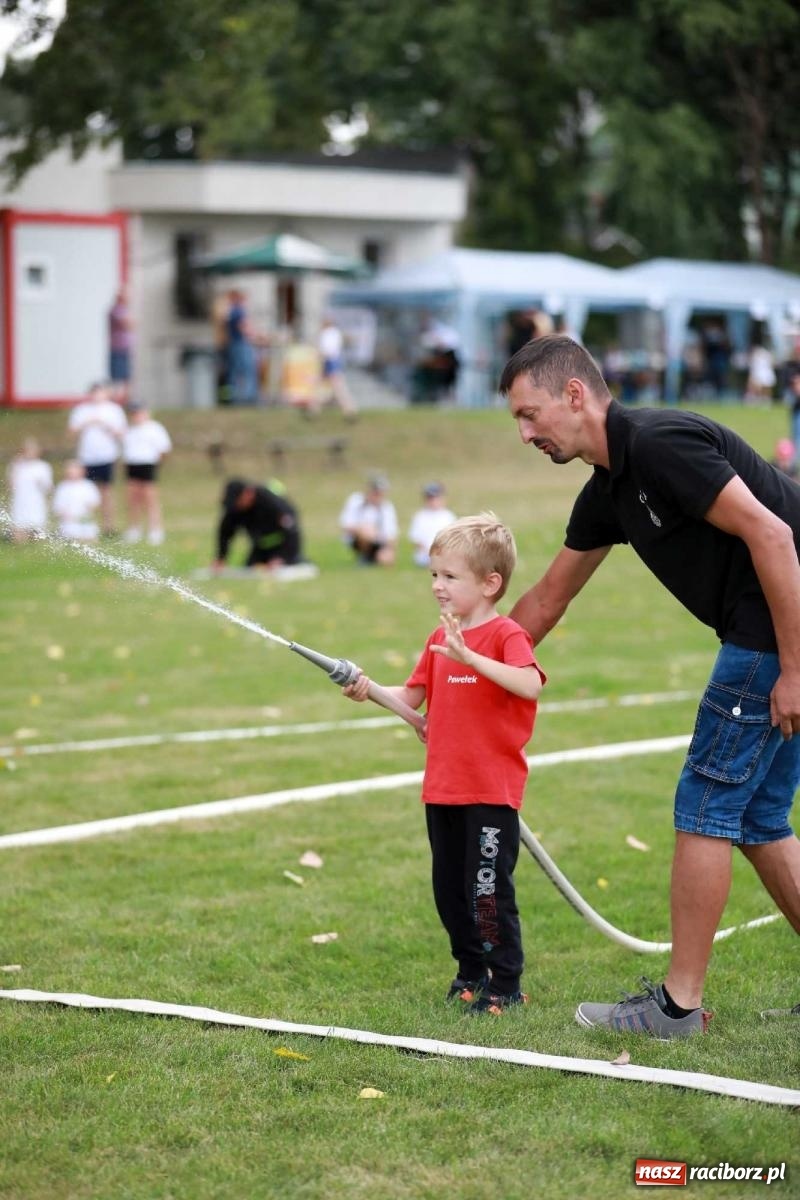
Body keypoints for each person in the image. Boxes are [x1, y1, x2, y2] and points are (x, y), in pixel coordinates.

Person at [500, 332, 800, 1037]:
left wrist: (794, 667)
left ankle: (677, 1006)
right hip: (767, 633)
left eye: (529, 413)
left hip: (773, 632)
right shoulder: (609, 488)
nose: (524, 434)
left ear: (575, 395)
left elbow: (775, 537)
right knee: (757, 819)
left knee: (706, 804)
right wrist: (458, 667)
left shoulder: (660, 445)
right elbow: (546, 601)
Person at [342, 513, 546, 1012]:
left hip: (490, 792)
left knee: (487, 892)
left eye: (449, 576)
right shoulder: (439, 639)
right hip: (443, 789)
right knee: (450, 893)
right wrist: (368, 690)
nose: (437, 586)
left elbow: (530, 683)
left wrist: (471, 658)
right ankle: (470, 971)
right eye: (434, 574)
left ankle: (506, 984)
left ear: (490, 583)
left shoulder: (505, 636)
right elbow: (411, 696)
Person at [67, 382, 127, 537]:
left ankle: (109, 527)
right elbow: (72, 431)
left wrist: (105, 424)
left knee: (106, 492)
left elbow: (121, 432)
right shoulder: (81, 410)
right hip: (87, 457)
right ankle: (87, 527)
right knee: (86, 493)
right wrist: (86, 423)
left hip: (106, 456)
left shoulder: (114, 410)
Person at [212, 479, 304, 571]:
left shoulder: (269, 501)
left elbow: (292, 530)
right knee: (249, 570)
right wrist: (221, 558)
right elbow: (225, 532)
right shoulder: (235, 509)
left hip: (283, 546)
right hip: (260, 547)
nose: (237, 506)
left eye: (238, 501)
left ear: (247, 493)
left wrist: (282, 558)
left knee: (292, 567)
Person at [121, 403, 173, 546]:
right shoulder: (130, 430)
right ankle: (134, 528)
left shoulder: (155, 428)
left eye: (138, 413)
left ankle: (155, 530)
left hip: (148, 464)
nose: (136, 416)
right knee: (133, 498)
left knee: (150, 498)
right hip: (132, 465)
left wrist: (157, 464)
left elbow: (164, 449)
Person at [339, 473, 398, 565]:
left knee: (386, 560)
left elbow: (391, 534)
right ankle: (364, 556)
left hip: (379, 541)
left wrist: (390, 550)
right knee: (366, 531)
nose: (377, 496)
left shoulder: (387, 507)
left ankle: (371, 558)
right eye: (375, 492)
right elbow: (346, 525)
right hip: (356, 539)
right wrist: (365, 530)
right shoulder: (356, 500)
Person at [7, 438, 53, 541]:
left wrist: (41, 483)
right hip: (20, 501)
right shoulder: (16, 465)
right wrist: (16, 466)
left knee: (38, 529)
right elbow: (10, 485)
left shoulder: (43, 466)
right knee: (19, 527)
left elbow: (48, 487)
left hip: (36, 502)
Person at [408, 482, 457, 567]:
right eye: (430, 498)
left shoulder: (448, 516)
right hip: (424, 555)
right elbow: (417, 540)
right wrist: (429, 552)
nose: (433, 501)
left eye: (436, 498)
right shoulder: (420, 516)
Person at [52, 460, 101, 542]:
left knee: (90, 536)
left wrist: (90, 509)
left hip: (85, 519)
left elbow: (95, 502)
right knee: (71, 536)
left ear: (82, 471)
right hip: (69, 521)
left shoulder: (88, 485)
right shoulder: (63, 487)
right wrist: (64, 514)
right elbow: (58, 506)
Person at [318, 315, 357, 418]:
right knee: (325, 387)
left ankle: (349, 410)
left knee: (338, 387)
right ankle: (314, 409)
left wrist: (319, 356)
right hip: (331, 362)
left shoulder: (328, 333)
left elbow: (328, 350)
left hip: (330, 362)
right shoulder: (334, 333)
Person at [225, 289, 259, 406]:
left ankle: (233, 398)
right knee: (247, 371)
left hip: (234, 345)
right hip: (241, 344)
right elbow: (245, 328)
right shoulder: (239, 311)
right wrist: (257, 336)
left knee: (234, 372)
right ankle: (248, 398)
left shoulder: (231, 312)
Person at [108, 287, 134, 404]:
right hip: (117, 348)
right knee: (118, 378)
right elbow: (128, 324)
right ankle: (117, 401)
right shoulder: (116, 310)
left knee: (126, 377)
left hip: (124, 348)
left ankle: (125, 401)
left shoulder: (124, 310)